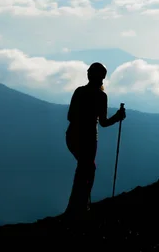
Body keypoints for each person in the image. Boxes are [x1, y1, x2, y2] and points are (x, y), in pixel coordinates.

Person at [64, 62, 126, 216]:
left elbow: (70, 116)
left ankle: (77, 206)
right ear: (102, 77)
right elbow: (104, 123)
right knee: (87, 169)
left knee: (84, 169)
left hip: (73, 135)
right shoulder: (101, 96)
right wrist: (118, 117)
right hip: (89, 138)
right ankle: (81, 207)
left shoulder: (79, 92)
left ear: (89, 74)